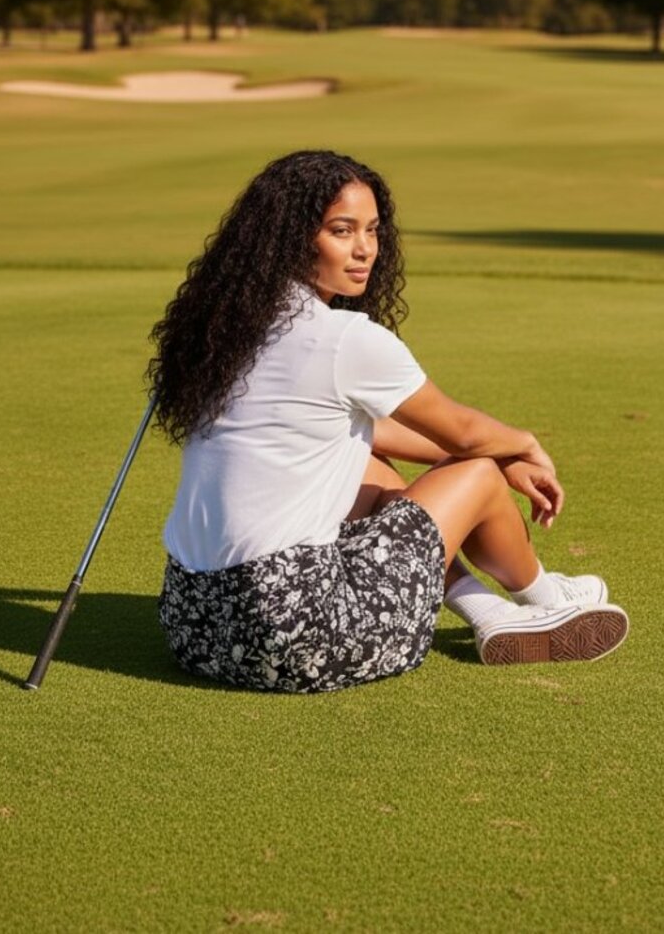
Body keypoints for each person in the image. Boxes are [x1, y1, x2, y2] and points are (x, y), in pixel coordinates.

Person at [149, 150, 628, 694]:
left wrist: (484, 453)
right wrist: (521, 447)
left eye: (373, 231)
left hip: (195, 632)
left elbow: (359, 433)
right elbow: (464, 434)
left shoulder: (226, 336)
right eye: (341, 230)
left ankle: (487, 613)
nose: (364, 249)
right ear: (289, 237)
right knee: (478, 475)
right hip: (299, 641)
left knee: (367, 463)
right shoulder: (343, 339)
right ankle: (544, 597)